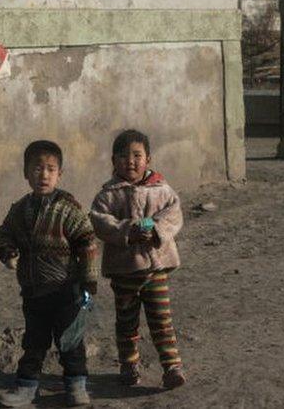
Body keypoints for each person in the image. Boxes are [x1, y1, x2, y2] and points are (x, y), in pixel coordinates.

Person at [0, 140, 100, 407]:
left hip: (66, 290)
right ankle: (27, 388)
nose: (43, 175)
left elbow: (87, 242)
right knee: (34, 342)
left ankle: (76, 385)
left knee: (71, 342)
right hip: (34, 292)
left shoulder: (68, 208)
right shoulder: (20, 209)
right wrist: (7, 252)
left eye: (50, 169)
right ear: (26, 173)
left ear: (59, 174)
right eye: (37, 168)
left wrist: (89, 280)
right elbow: (4, 234)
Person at [90, 129, 187, 389]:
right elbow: (100, 222)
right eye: (123, 156)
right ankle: (129, 365)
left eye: (136, 155)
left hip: (156, 270)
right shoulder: (108, 195)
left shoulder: (162, 190)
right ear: (113, 161)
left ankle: (172, 367)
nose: (130, 161)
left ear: (148, 159)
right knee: (126, 323)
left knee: (161, 321)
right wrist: (128, 230)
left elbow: (174, 214)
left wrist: (156, 230)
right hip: (125, 272)